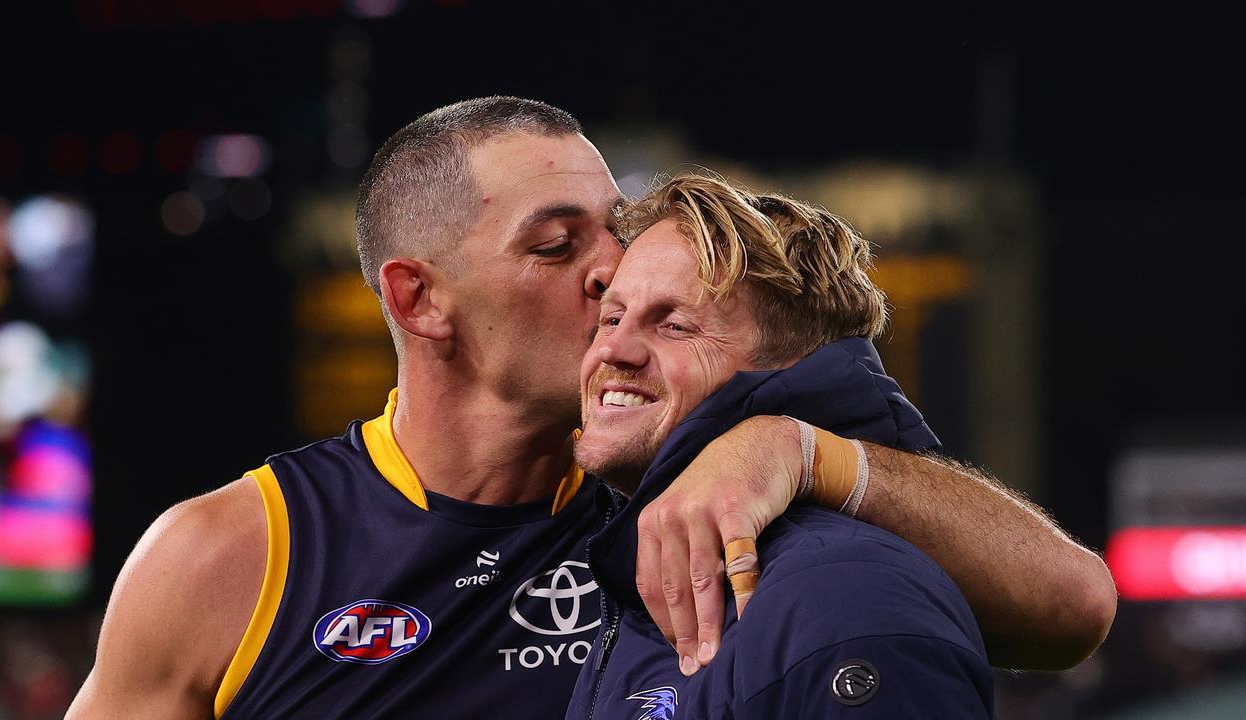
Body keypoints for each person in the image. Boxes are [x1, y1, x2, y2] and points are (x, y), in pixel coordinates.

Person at [67, 98, 1112, 719]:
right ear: (416, 299)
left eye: (612, 233)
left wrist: (797, 449)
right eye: (556, 244)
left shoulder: (697, 475)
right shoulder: (230, 558)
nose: (609, 273)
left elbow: (1068, 608)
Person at [568, 175, 997, 717]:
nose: (613, 349)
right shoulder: (642, 572)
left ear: (786, 370)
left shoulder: (843, 598)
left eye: (675, 326)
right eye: (612, 317)